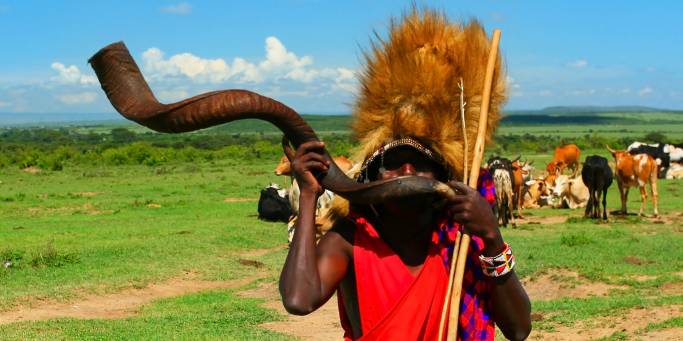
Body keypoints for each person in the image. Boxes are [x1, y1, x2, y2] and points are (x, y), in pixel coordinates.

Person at [279, 9, 531, 341]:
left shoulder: (459, 240)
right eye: (394, 162)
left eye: (420, 163)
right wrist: (309, 195)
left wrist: (493, 239)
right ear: (370, 177)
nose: (408, 171)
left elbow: (518, 329)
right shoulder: (352, 239)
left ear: (443, 176)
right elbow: (299, 300)